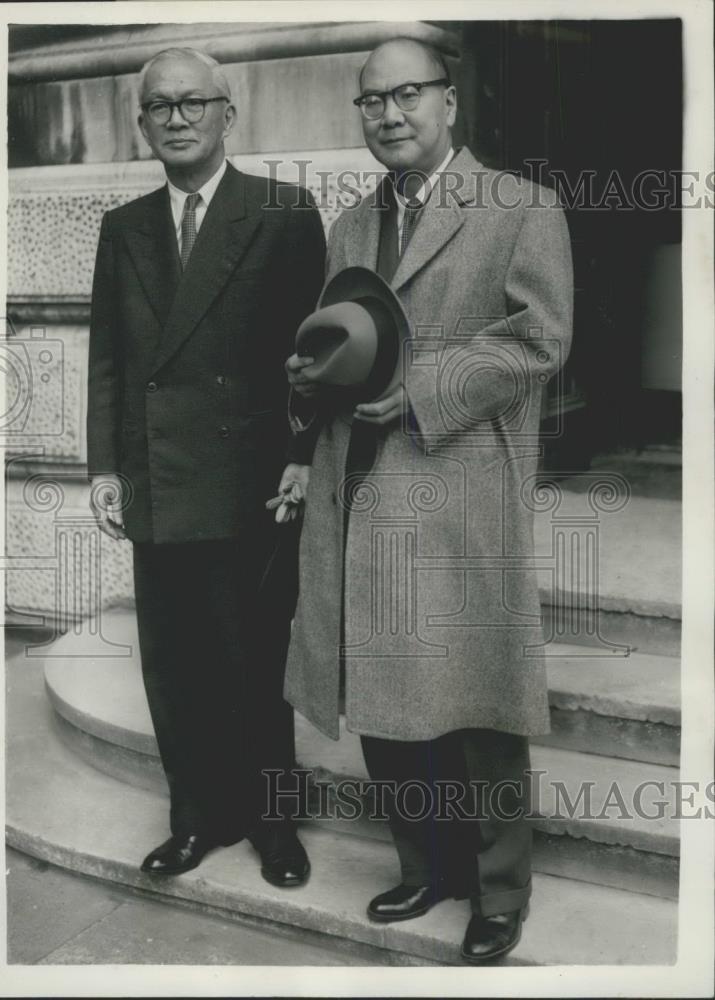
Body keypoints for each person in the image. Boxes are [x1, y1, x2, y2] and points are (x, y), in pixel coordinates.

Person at [284, 37, 573, 962]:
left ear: (452, 103)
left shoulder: (519, 206)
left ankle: (497, 890)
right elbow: (343, 343)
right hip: (358, 483)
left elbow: (539, 339)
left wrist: (422, 386)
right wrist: (308, 376)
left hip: (455, 485)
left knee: (475, 708)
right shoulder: (349, 226)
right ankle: (424, 864)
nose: (389, 114)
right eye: (370, 101)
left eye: (407, 95)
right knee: (380, 692)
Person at [87, 47, 326, 884]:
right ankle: (193, 816)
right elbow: (111, 359)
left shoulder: (284, 212)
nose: (178, 118)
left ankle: (273, 823)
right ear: (142, 124)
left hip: (251, 483)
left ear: (230, 113)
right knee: (174, 662)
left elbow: (316, 356)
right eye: (160, 107)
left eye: (194, 103)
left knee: (255, 659)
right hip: (156, 479)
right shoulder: (124, 228)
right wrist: (104, 468)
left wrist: (302, 457)